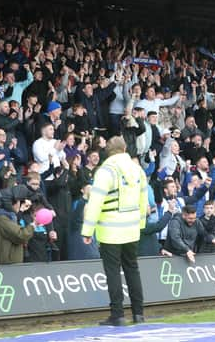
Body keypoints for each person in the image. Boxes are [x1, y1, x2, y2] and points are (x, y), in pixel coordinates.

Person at [81, 136, 149, 326]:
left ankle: (117, 315)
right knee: (132, 269)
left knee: (113, 272)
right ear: (125, 148)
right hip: (132, 229)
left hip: (110, 231)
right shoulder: (137, 170)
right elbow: (144, 201)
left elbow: (95, 202)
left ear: (107, 151)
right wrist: (140, 224)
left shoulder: (106, 171)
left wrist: (87, 230)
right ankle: (139, 314)